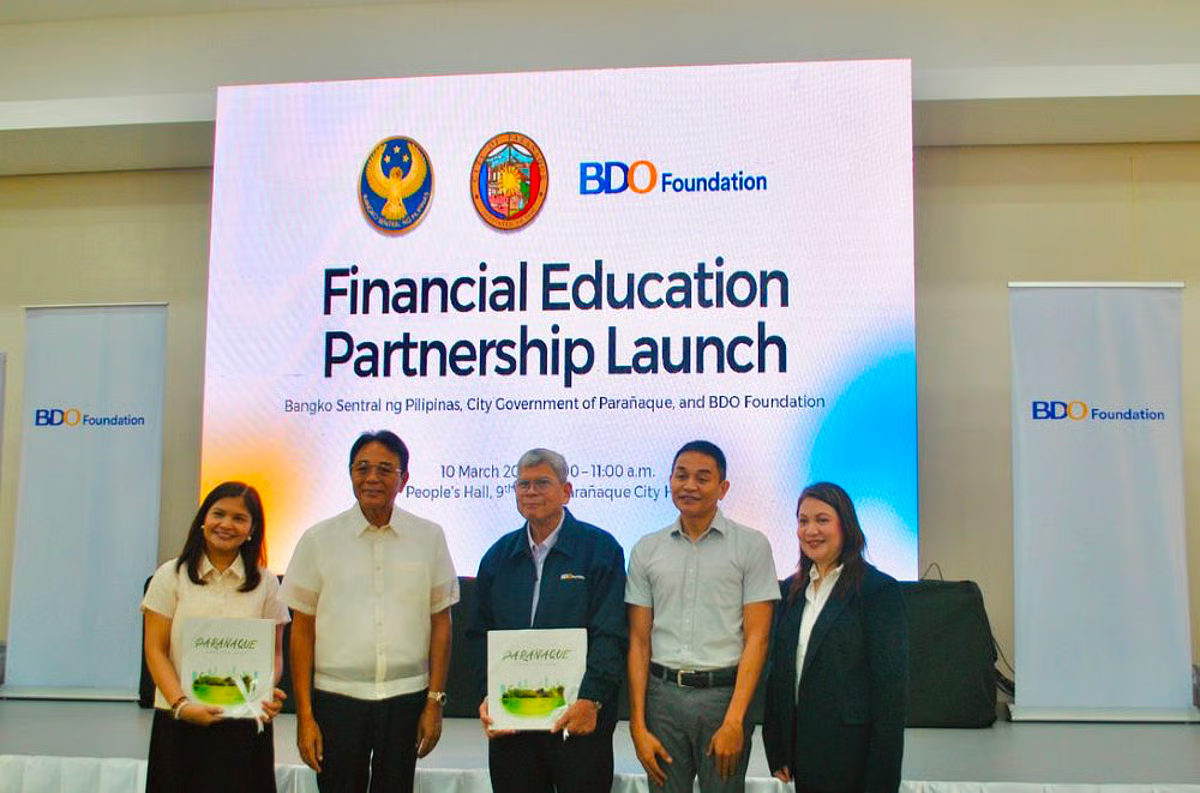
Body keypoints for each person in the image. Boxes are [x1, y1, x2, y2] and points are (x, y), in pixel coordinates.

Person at [282, 430, 459, 793]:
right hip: (337, 698)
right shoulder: (319, 540)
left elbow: (441, 623)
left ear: (404, 479)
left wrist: (434, 702)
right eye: (362, 468)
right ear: (350, 474)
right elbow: (301, 630)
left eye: (385, 469)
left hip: (406, 697)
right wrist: (305, 716)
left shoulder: (429, 537)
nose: (372, 478)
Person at [468, 448, 627, 793]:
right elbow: (479, 634)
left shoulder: (601, 550)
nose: (531, 492)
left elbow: (610, 632)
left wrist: (592, 698)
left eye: (542, 483)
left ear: (566, 491)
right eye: (523, 484)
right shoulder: (498, 556)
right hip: (513, 725)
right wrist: (487, 696)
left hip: (578, 719)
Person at [625, 440, 779, 793]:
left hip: (723, 700)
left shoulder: (752, 545)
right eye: (681, 476)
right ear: (670, 481)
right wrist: (637, 725)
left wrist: (735, 720)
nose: (689, 485)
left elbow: (758, 639)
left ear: (723, 488)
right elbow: (638, 640)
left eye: (702, 478)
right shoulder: (646, 548)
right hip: (662, 699)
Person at [141, 481, 289, 793]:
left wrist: (264, 692)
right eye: (219, 514)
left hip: (244, 724)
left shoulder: (267, 584)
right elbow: (155, 649)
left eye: (239, 518)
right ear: (203, 519)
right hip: (180, 721)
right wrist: (182, 705)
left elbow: (274, 653)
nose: (226, 524)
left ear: (252, 529)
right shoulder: (170, 575)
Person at [762, 482, 909, 793]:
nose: (811, 530)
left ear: (846, 525)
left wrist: (882, 779)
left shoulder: (877, 591)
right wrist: (777, 747)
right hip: (803, 756)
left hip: (854, 759)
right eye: (803, 521)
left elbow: (890, 694)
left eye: (822, 520)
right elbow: (779, 673)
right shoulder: (790, 591)